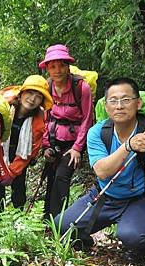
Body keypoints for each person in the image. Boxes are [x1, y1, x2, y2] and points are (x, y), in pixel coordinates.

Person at [55, 77, 145, 263]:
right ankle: (84, 238)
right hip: (105, 195)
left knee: (132, 236)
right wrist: (128, 147)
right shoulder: (98, 133)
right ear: (106, 107)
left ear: (138, 103)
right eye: (113, 101)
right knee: (62, 225)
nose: (119, 106)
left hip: (138, 198)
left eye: (126, 100)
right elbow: (101, 171)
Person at [39, 44, 94, 219]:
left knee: (62, 177)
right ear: (47, 68)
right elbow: (45, 117)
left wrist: (78, 147)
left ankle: (59, 222)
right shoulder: (47, 87)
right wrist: (46, 145)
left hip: (74, 141)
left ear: (68, 66)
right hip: (54, 139)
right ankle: (46, 220)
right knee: (51, 176)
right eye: (53, 66)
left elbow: (87, 119)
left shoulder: (81, 87)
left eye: (61, 65)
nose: (58, 70)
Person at [0, 75, 53, 210]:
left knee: (18, 187)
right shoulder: (4, 108)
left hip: (22, 154)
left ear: (41, 101)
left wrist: (12, 172)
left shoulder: (38, 122)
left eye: (38, 96)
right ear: (21, 93)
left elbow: (31, 151)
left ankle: (19, 216)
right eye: (30, 93)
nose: (32, 99)